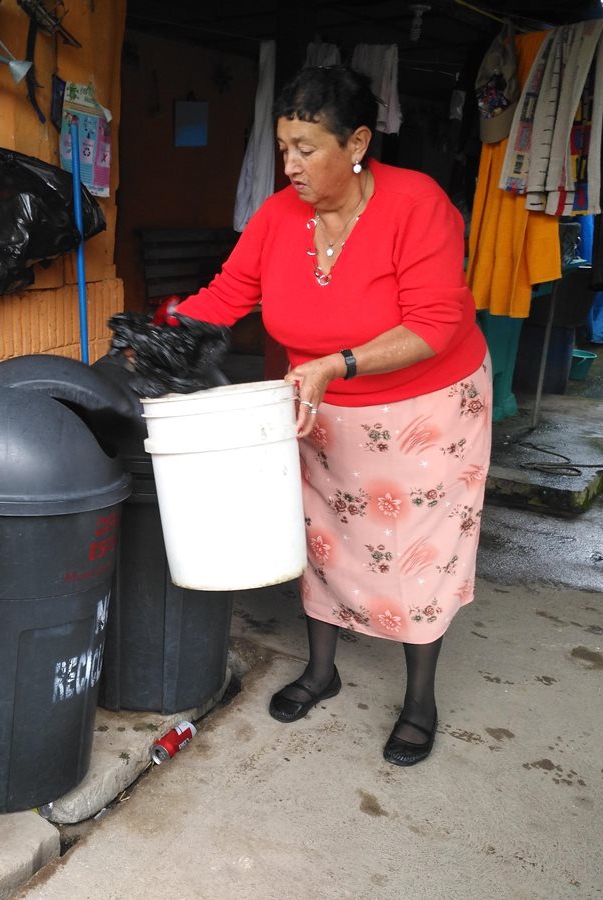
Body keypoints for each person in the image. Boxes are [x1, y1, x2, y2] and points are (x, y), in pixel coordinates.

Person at [172, 65, 491, 767]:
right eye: (283, 147)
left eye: (306, 148)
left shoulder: (417, 204)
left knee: (417, 548)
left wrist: (336, 363)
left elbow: (435, 322)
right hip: (319, 403)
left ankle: (419, 699)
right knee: (323, 535)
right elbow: (230, 292)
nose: (290, 166)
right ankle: (322, 671)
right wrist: (165, 328)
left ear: (356, 143)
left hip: (426, 406)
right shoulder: (279, 215)